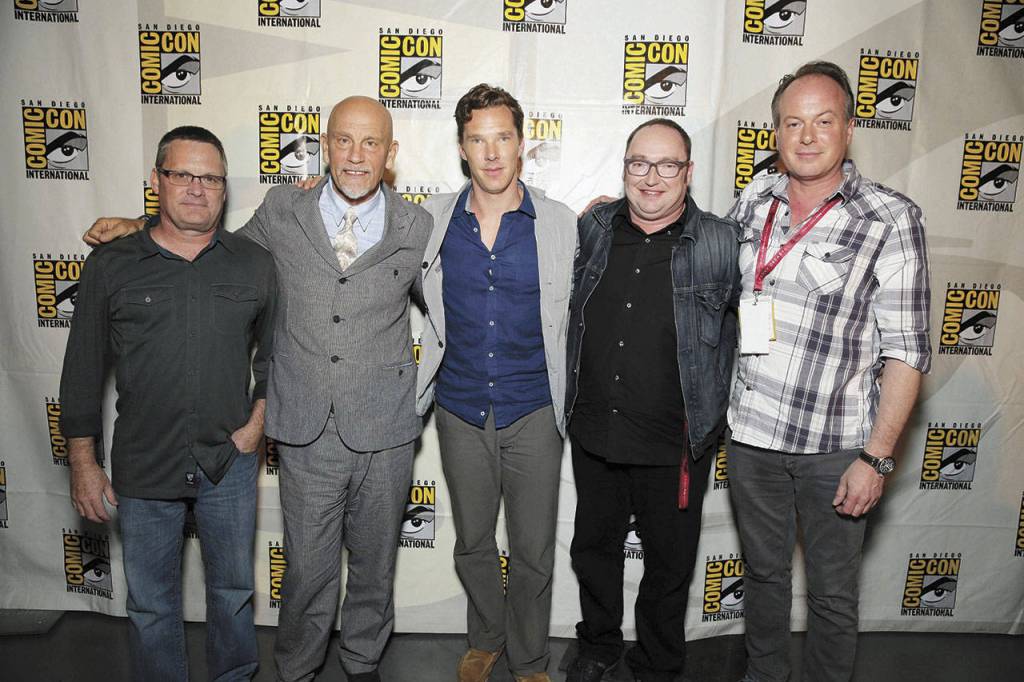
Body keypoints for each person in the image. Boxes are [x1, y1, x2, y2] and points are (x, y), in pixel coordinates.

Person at [82, 97, 433, 682]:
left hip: (386, 428)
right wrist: (137, 228)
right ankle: (296, 667)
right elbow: (212, 248)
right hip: (304, 428)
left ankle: (364, 660)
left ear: (390, 154)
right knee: (308, 569)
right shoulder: (282, 207)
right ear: (324, 145)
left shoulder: (418, 225)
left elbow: (462, 294)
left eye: (371, 143)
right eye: (344, 140)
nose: (355, 155)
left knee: (375, 566)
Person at [726, 61, 931, 682]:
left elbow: (909, 350)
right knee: (761, 581)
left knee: (832, 597)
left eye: (823, 121)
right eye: (793, 122)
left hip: (834, 449)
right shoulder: (754, 200)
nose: (807, 135)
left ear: (847, 129)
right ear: (776, 133)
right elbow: (697, 257)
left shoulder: (891, 218)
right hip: (750, 437)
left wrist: (876, 458)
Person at [61, 125, 276, 681]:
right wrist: (83, 464)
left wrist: (257, 423)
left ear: (224, 190)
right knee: (151, 605)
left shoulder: (253, 263)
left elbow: (275, 357)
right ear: (156, 180)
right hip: (143, 460)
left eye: (210, 178)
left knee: (231, 593)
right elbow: (82, 371)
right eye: (182, 174)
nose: (197, 189)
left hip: (228, 460)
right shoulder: (112, 265)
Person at [564, 118, 739, 682]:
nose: (652, 177)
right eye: (640, 163)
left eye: (668, 165)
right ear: (624, 169)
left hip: (676, 439)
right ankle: (597, 644)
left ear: (688, 172)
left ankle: (659, 660)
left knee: (669, 564)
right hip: (596, 429)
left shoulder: (720, 240)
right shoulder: (593, 225)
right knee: (593, 548)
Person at [415, 84, 577, 682]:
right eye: (477, 140)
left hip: (533, 408)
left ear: (521, 144)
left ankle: (531, 657)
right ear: (462, 148)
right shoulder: (429, 221)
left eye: (502, 137)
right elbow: (350, 230)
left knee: (534, 550)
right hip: (459, 408)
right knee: (473, 540)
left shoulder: (561, 224)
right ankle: (486, 637)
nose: (491, 153)